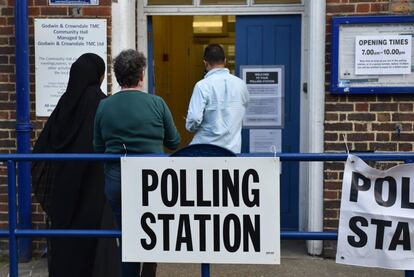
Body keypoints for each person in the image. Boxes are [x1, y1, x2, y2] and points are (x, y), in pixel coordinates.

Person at [93, 49, 180, 277]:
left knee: (126, 235)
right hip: (153, 179)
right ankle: (149, 269)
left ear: (117, 77)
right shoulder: (157, 103)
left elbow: (98, 148)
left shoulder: (104, 106)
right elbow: (174, 141)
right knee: (153, 228)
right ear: (142, 75)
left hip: (117, 179)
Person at [32, 53, 120, 277]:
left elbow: (43, 145)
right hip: (93, 187)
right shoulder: (103, 104)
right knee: (91, 241)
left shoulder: (64, 104)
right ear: (99, 76)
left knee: (66, 241)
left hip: (64, 188)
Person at [185, 43, 249, 153]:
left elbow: (194, 118)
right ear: (225, 61)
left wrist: (191, 127)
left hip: (205, 151)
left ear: (205, 63)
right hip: (232, 152)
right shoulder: (241, 85)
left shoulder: (202, 86)